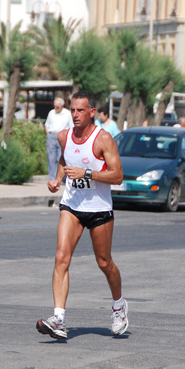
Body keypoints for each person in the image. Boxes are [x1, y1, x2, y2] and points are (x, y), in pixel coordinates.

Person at [36, 91, 128, 340]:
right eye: (72, 110)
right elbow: (65, 159)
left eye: (80, 111)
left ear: (91, 113)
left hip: (99, 209)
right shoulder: (64, 136)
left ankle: (119, 306)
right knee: (61, 258)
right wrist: (58, 179)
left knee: (104, 263)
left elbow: (118, 175)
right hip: (72, 206)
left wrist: (87, 174)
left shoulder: (104, 139)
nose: (74, 115)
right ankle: (58, 318)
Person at [44, 97, 74, 181]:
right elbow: (47, 124)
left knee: (62, 158)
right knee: (51, 158)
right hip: (52, 135)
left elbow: (71, 126)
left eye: (57, 106)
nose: (55, 108)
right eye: (54, 106)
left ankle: (62, 178)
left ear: (62, 105)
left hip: (63, 137)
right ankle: (52, 178)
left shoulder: (67, 113)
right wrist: (48, 133)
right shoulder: (51, 113)